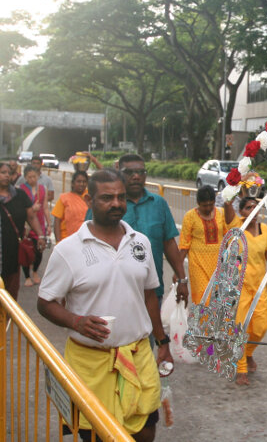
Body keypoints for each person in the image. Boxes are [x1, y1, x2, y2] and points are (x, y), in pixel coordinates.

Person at [37, 170, 168, 441]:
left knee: (145, 431)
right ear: (89, 199)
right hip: (90, 363)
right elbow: (45, 302)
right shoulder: (68, 250)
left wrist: (162, 342)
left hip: (138, 357)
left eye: (120, 197)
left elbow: (149, 296)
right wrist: (76, 321)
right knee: (94, 435)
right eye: (107, 198)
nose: (116, 203)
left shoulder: (140, 242)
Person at [115, 154, 188, 304]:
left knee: (154, 328)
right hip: (116, 292)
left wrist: (182, 279)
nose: (136, 176)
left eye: (141, 172)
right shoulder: (111, 205)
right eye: (129, 173)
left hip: (153, 292)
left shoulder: (158, 204)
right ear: (119, 173)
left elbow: (169, 244)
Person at [0, 162, 46, 304]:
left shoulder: (20, 195)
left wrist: (40, 235)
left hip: (13, 251)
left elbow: (31, 216)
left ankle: (6, 318)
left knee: (10, 290)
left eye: (9, 173)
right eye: (3, 172)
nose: (7, 176)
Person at [234, 196, 267, 386]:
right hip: (240, 287)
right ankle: (241, 368)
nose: (252, 210)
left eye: (255, 207)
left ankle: (249, 352)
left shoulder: (265, 230)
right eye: (248, 208)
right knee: (241, 327)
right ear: (241, 212)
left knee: (261, 326)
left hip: (260, 286)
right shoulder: (237, 230)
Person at [179, 185, 240, 304]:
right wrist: (178, 272)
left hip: (219, 264)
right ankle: (202, 323)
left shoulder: (221, 213)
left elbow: (230, 235)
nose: (208, 208)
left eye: (211, 205)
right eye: (204, 205)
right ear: (198, 203)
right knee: (204, 299)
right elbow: (184, 245)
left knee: (219, 300)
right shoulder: (190, 217)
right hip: (198, 265)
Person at [18, 166, 49, 287]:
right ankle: (27, 276)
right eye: (29, 177)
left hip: (39, 224)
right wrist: (32, 209)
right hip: (26, 224)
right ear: (25, 177)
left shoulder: (42, 189)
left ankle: (35, 271)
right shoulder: (20, 190)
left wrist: (49, 224)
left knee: (39, 250)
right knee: (26, 250)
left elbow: (45, 207)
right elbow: (20, 209)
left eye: (34, 177)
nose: (32, 179)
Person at [52, 171, 89, 242]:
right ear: (73, 183)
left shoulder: (90, 197)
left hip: (86, 239)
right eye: (79, 181)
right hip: (67, 239)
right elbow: (57, 221)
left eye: (84, 182)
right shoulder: (64, 198)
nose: (82, 184)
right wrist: (58, 242)